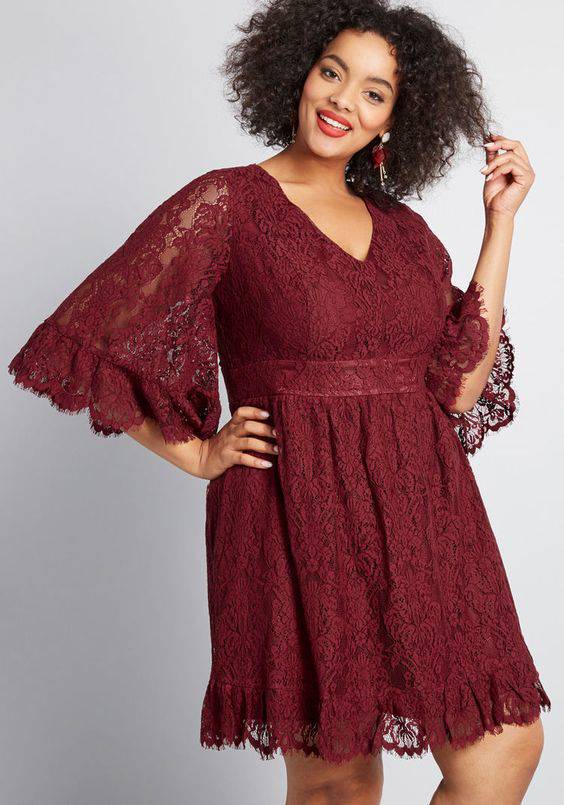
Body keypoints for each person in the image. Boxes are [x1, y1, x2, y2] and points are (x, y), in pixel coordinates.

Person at [7, 1, 551, 803]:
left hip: (427, 516)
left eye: (374, 92)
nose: (343, 100)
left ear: (394, 120)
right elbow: (89, 340)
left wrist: (499, 224)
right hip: (296, 517)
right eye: (332, 72)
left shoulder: (406, 233)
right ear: (298, 73)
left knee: (505, 749)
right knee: (338, 781)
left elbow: (460, 385)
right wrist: (199, 452)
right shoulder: (226, 204)